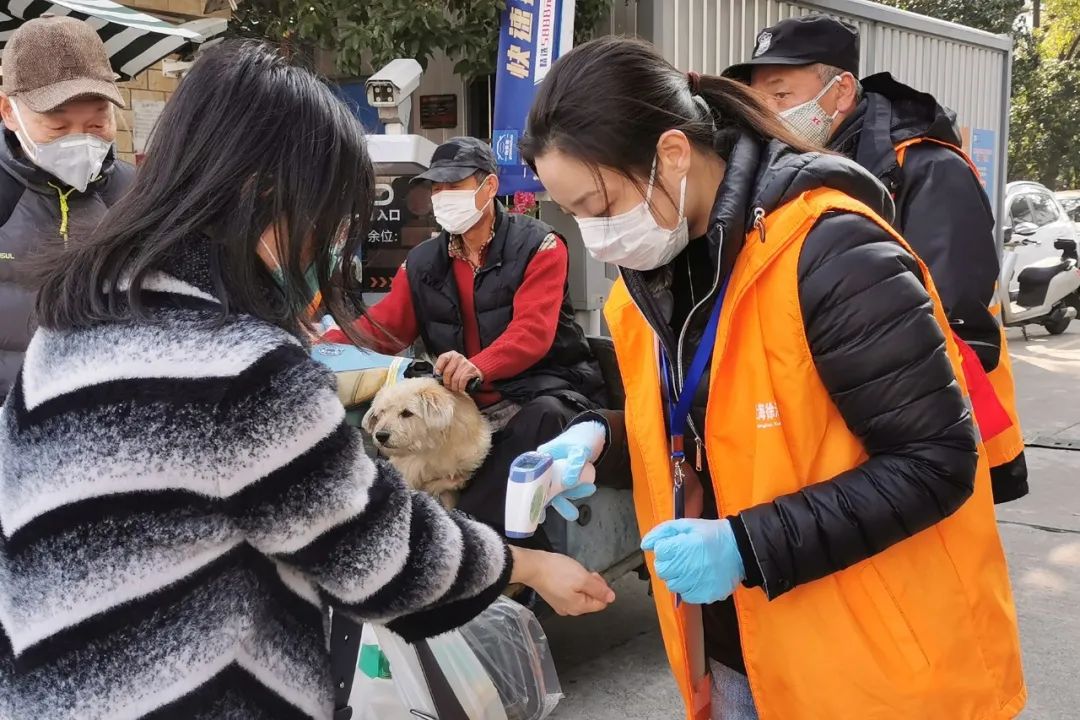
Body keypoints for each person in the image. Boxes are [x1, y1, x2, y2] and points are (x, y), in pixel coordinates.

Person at [0, 41, 613, 720]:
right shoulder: (243, 369)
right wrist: (528, 567)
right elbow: (378, 553)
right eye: (327, 214)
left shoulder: (65, 329)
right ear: (264, 197)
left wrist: (477, 366)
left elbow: (533, 331)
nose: (329, 239)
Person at [521, 36, 1025, 720]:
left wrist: (746, 545)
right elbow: (710, 423)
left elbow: (934, 461)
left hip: (870, 666)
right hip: (742, 647)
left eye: (601, 205)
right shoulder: (649, 281)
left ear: (673, 153)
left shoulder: (833, 250)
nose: (595, 235)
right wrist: (602, 441)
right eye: (573, 213)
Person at [726, 15, 1028, 504]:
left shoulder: (927, 168)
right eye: (758, 100)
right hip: (846, 421)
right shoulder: (795, 170)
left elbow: (950, 317)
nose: (767, 113)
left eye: (780, 96)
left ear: (842, 91)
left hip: (942, 421)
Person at [322, 136, 610, 542]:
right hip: (465, 402)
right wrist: (321, 345)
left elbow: (532, 332)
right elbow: (386, 326)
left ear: (489, 187)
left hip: (542, 388)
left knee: (543, 417)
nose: (442, 196)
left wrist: (479, 366)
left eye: (454, 186)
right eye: (436, 188)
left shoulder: (540, 245)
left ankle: (473, 541)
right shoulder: (422, 261)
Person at [0, 16, 135, 401]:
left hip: (107, 409)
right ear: (8, 111)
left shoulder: (136, 192)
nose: (79, 141)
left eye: (97, 124)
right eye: (57, 128)